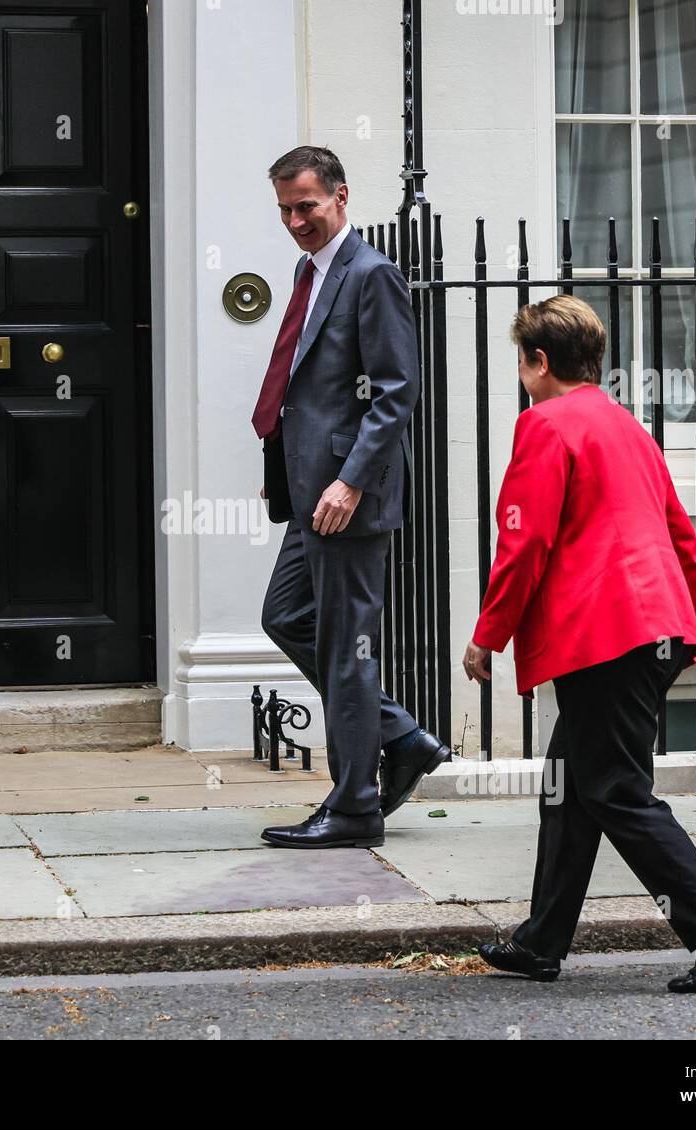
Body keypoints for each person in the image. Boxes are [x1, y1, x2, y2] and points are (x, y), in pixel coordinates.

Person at [464, 295, 696, 992]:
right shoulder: (628, 426)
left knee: (614, 788)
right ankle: (541, 942)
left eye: (522, 362)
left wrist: (487, 636)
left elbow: (525, 541)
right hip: (656, 631)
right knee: (571, 787)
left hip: (605, 634)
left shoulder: (544, 425)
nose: (522, 376)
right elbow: (681, 536)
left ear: (540, 361)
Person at [254, 145, 451, 849]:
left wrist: (350, 480)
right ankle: (401, 737)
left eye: (306, 205)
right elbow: (309, 388)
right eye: (284, 209)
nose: (295, 220)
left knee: (347, 651)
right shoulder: (311, 273)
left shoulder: (372, 274)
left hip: (347, 498)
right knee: (286, 617)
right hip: (311, 494)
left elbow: (396, 391)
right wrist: (289, 468)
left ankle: (355, 807)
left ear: (340, 197)